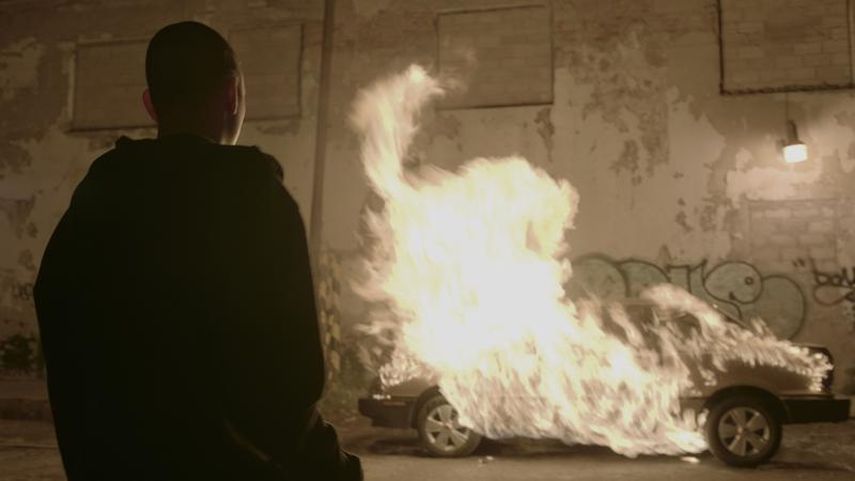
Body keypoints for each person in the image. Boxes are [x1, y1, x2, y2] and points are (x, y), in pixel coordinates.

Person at [33, 21, 361, 481]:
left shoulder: (95, 203)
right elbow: (292, 381)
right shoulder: (256, 202)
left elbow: (63, 330)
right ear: (232, 95)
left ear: (151, 105)